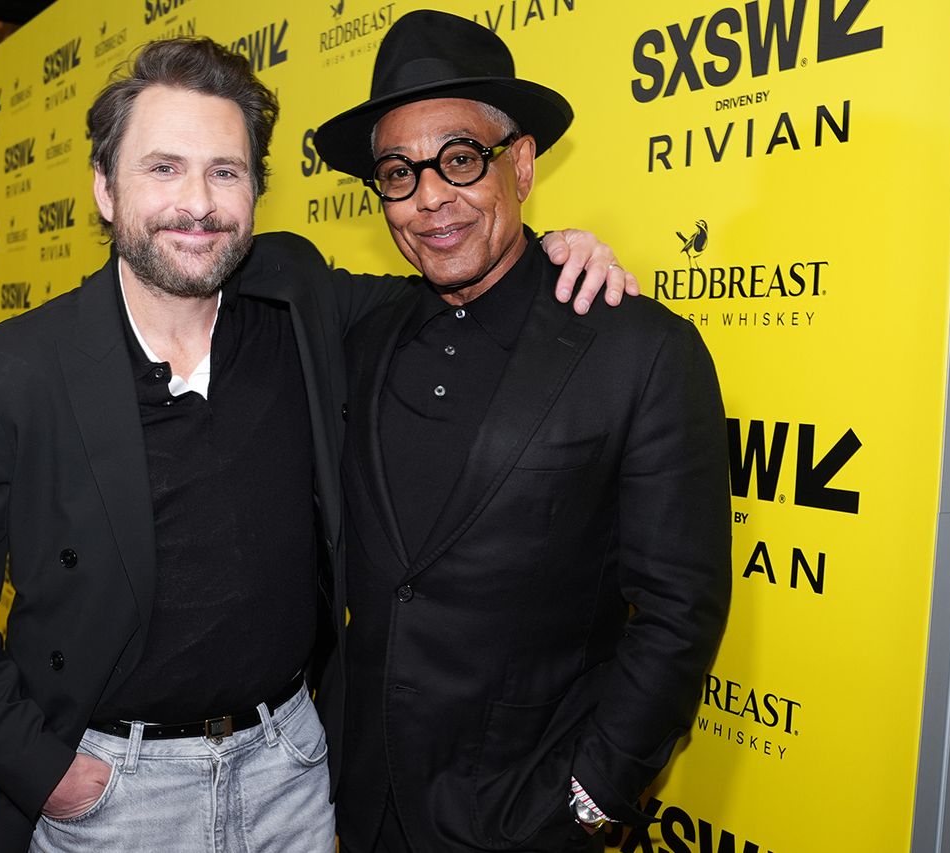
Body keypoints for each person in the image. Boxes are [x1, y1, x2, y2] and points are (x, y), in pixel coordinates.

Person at [0, 36, 630, 853]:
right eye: (163, 168)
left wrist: (553, 253)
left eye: (226, 171)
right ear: (106, 187)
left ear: (255, 190)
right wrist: (44, 771)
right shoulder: (14, 369)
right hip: (111, 789)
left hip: (291, 771)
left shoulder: (296, 300)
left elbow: (453, 288)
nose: (198, 203)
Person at [312, 10, 732, 853]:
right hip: (350, 803)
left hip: (525, 816)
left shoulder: (639, 349)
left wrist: (592, 799)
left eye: (461, 159)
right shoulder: (360, 334)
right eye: (398, 173)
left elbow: (680, 612)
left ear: (523, 164)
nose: (431, 197)